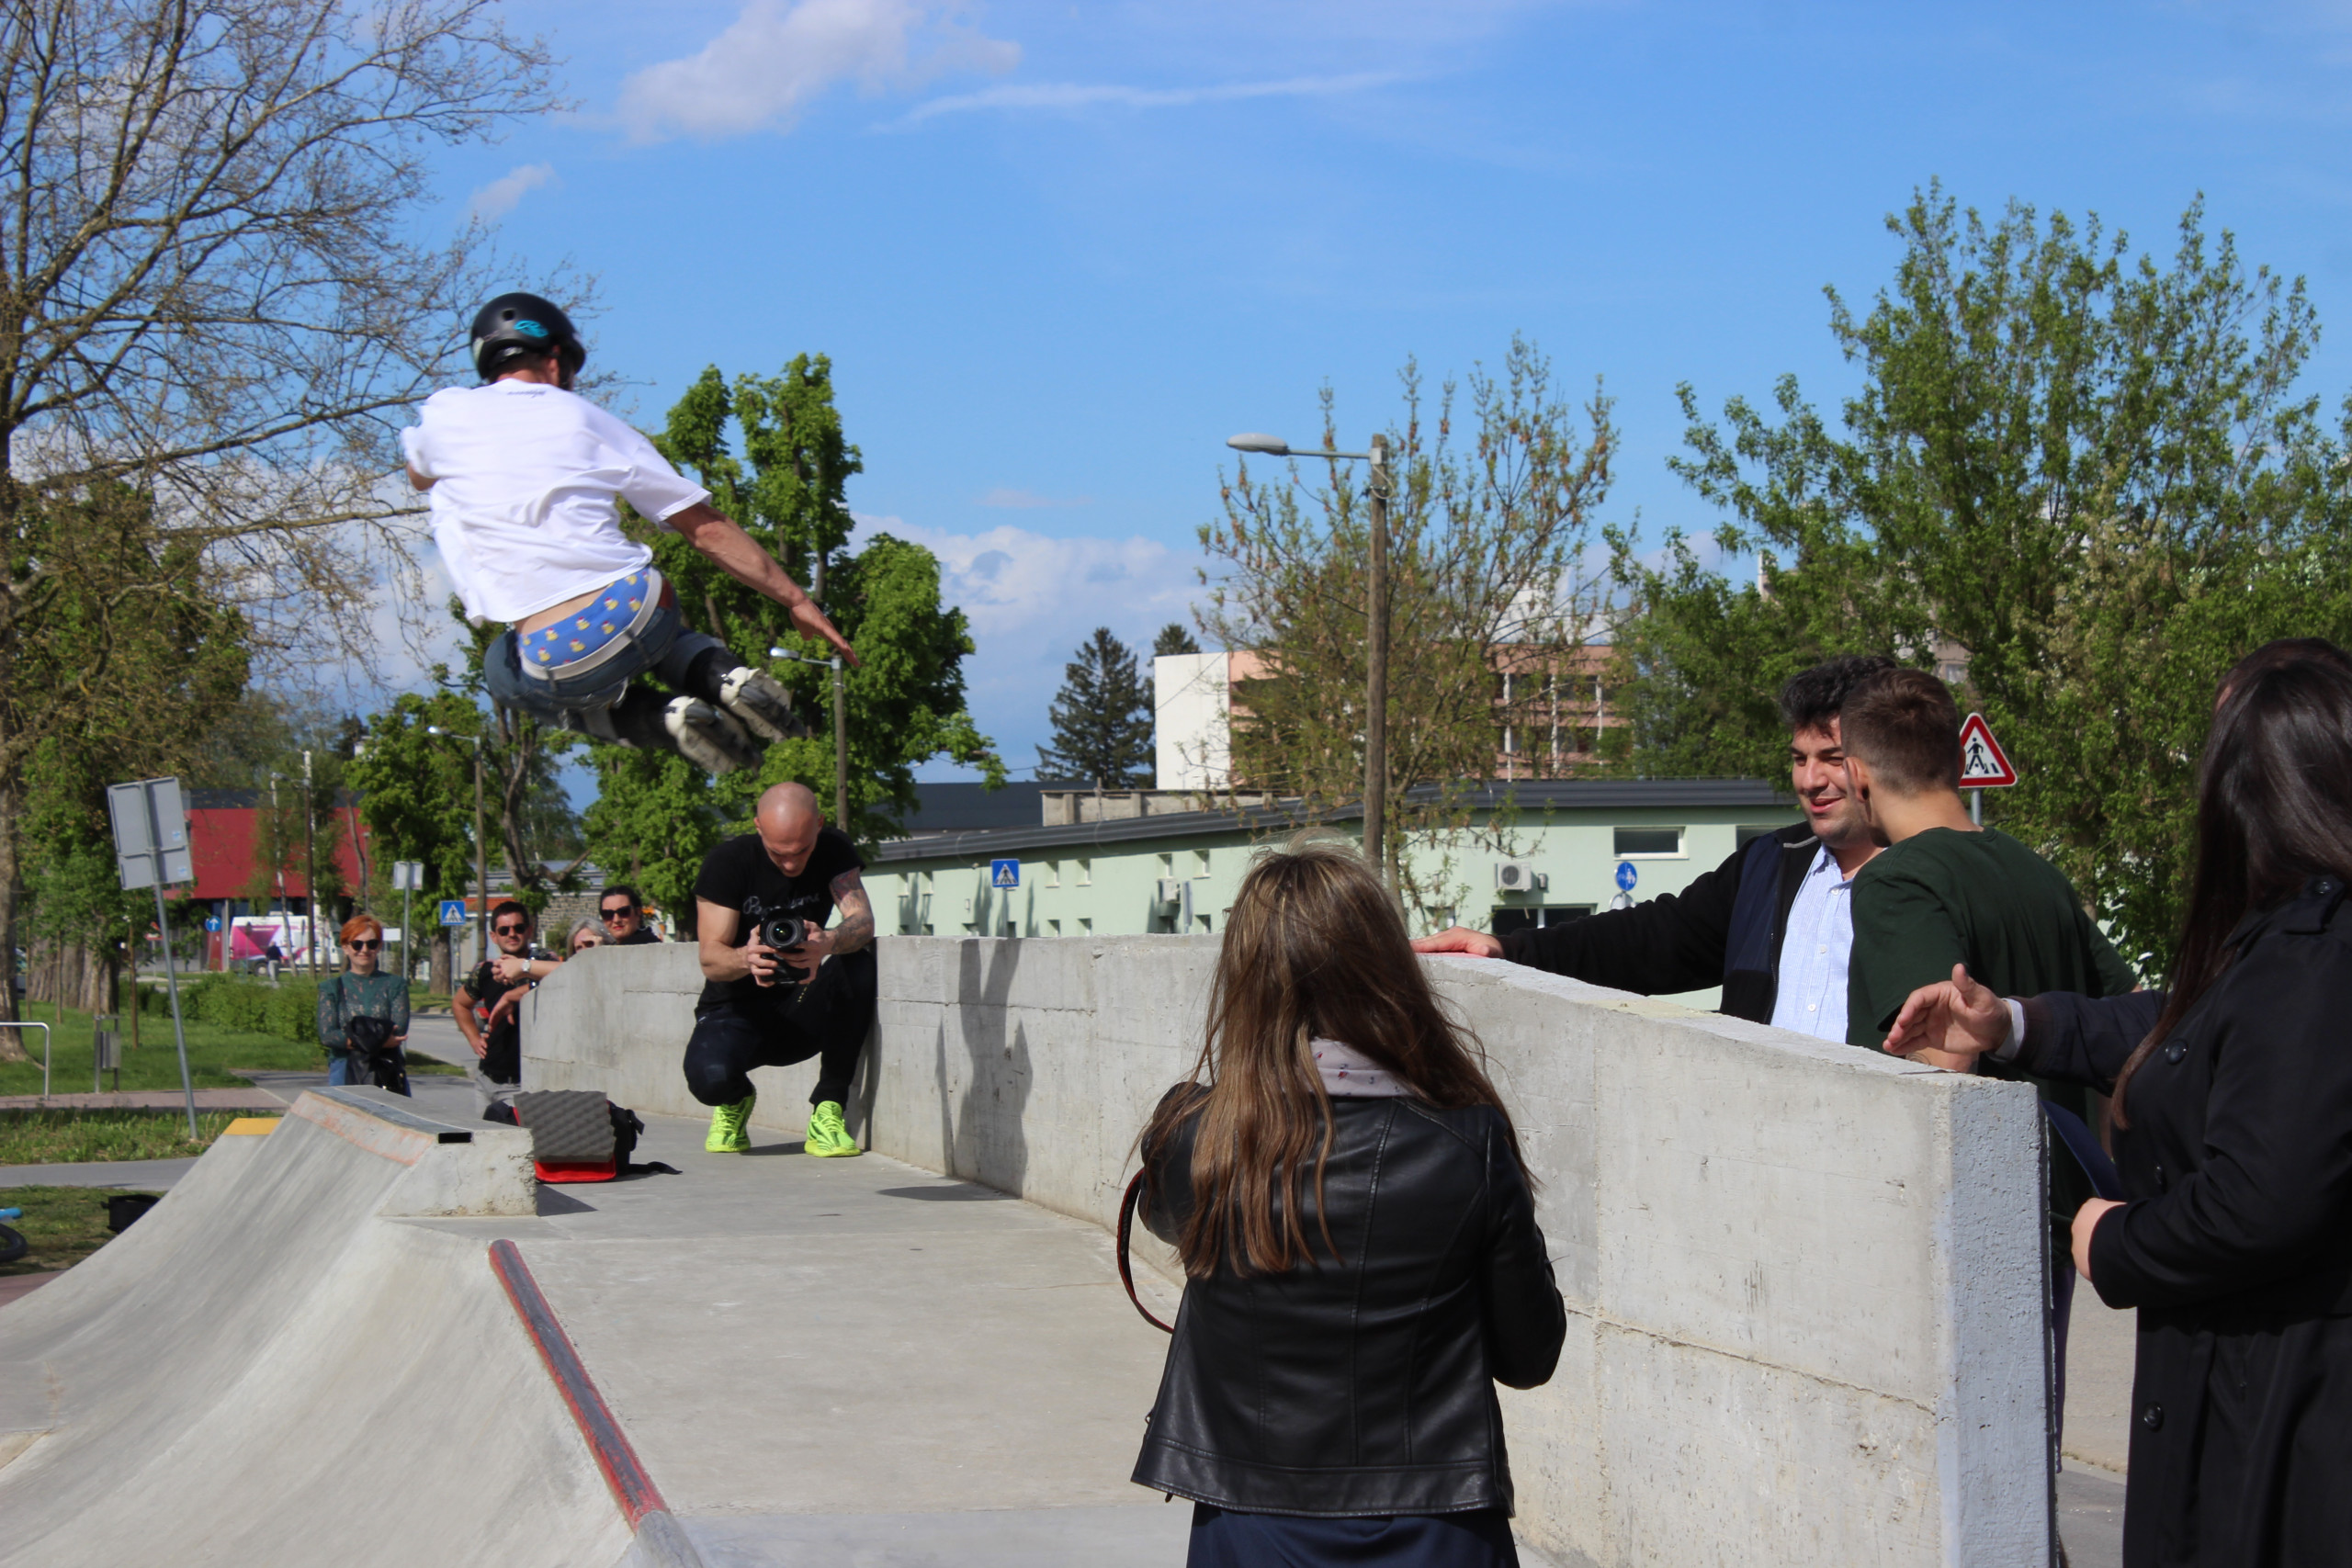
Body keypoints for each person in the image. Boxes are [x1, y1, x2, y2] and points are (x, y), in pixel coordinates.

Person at [1882, 658, 2352, 1568]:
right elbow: (2183, 1026)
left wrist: (2116, 1241)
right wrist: (2011, 1022)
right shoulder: (2289, 939)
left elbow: (2264, 1198)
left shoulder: (2316, 953)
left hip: (2287, 1428)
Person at [1133, 837, 1565, 1567]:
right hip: (1437, 1528)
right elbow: (1529, 1354)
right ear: (1387, 970)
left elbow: (1162, 1217)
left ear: (1246, 979)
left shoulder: (1194, 1137)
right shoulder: (1467, 1141)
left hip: (1252, 1527)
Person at [399, 293, 858, 774]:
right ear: (554, 360)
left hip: (556, 654)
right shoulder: (590, 420)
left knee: (502, 670)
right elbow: (704, 528)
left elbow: (418, 474)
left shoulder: (447, 412)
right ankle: (722, 675)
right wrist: (795, 600)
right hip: (643, 605)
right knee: (638, 625)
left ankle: (664, 720)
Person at [1413, 653, 1894, 1037]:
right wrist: (1507, 949)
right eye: (1799, 759)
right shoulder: (1768, 865)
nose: (1810, 780)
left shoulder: (1932, 874)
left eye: (1832, 758)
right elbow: (1647, 940)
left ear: (1884, 756)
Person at [686, 783, 876, 1156]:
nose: (791, 864)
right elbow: (710, 959)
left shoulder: (834, 849)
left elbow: (863, 922)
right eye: (778, 853)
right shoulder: (727, 862)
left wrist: (827, 942)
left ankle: (828, 1109)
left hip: (802, 1007)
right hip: (735, 1013)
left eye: (802, 850)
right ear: (758, 827)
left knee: (858, 961)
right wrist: (747, 957)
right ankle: (736, 1099)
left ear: (819, 824)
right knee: (710, 1082)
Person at [454, 901, 558, 1111]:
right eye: (504, 930)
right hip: (486, 1079)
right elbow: (460, 1004)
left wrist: (517, 991)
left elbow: (565, 977)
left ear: (529, 931)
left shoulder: (543, 962)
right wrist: (474, 1039)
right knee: (483, 1132)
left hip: (523, 1084)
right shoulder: (485, 971)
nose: (512, 934)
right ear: (494, 936)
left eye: (518, 928)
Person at [317, 915, 409, 1088]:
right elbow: (328, 1036)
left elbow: (398, 1031)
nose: (364, 950)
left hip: (385, 1068)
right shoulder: (330, 988)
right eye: (357, 944)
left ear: (379, 946)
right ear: (345, 948)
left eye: (371, 944)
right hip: (344, 1066)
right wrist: (379, 1039)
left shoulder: (395, 985)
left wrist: (352, 1037)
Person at [595, 885, 662, 945]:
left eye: (624, 912)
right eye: (608, 914)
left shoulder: (646, 945)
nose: (616, 920)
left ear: (638, 912)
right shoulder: (615, 947)